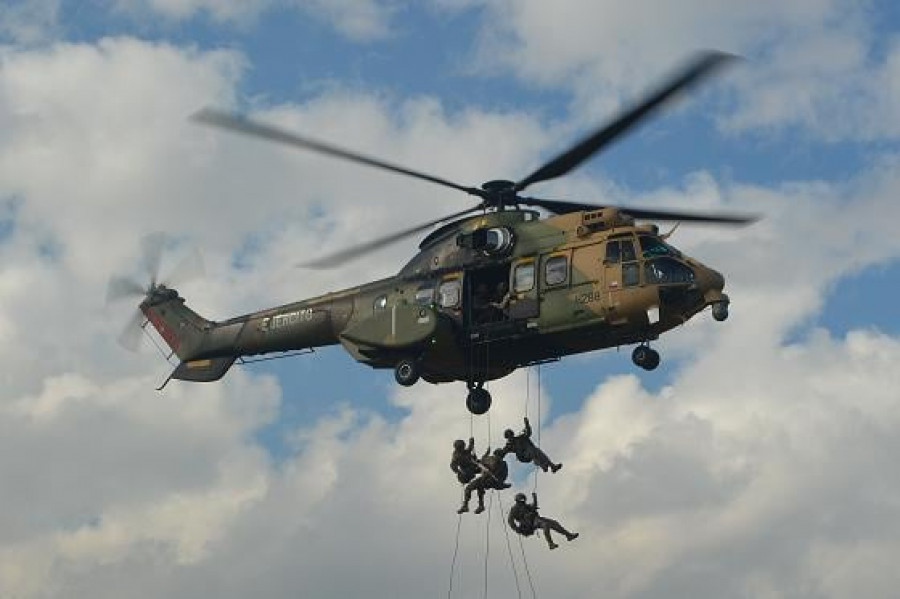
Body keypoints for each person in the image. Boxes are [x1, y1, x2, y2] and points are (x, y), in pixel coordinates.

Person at [507, 492, 578, 550]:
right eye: (521, 500)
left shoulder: (526, 506)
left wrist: (535, 498)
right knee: (545, 525)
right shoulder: (514, 509)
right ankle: (550, 544)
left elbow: (533, 506)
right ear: (517, 500)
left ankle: (568, 535)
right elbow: (510, 520)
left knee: (554, 523)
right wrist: (517, 529)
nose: (523, 502)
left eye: (523, 500)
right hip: (529, 523)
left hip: (536, 519)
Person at [457, 447, 511, 514]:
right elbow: (480, 463)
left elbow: (502, 475)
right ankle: (478, 506)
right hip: (487, 479)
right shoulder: (492, 460)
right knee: (478, 487)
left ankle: (468, 505)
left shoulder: (500, 463)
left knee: (470, 488)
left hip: (490, 480)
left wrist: (498, 482)